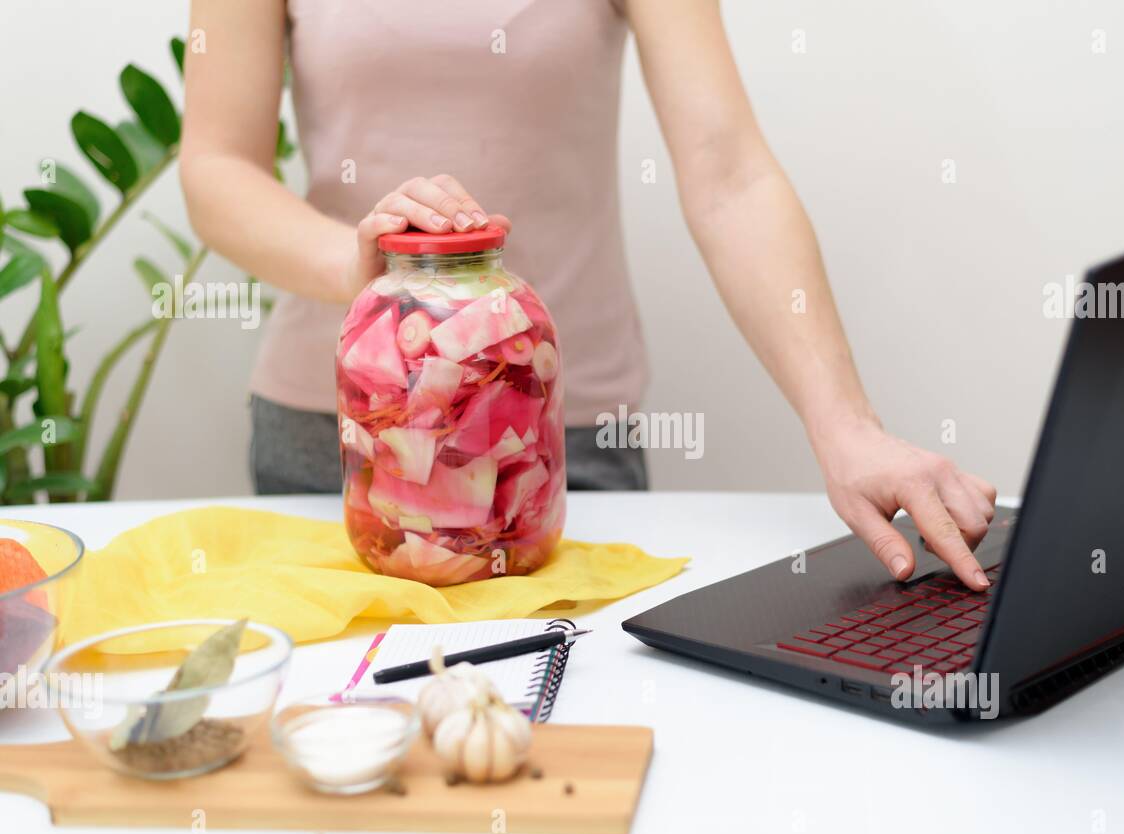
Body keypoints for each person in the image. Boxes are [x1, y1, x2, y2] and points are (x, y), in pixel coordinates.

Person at [179, 0, 997, 590]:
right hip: (341, 441)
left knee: (569, 741)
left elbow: (730, 174)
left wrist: (845, 423)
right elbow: (215, 165)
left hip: (555, 447)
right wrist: (358, 264)